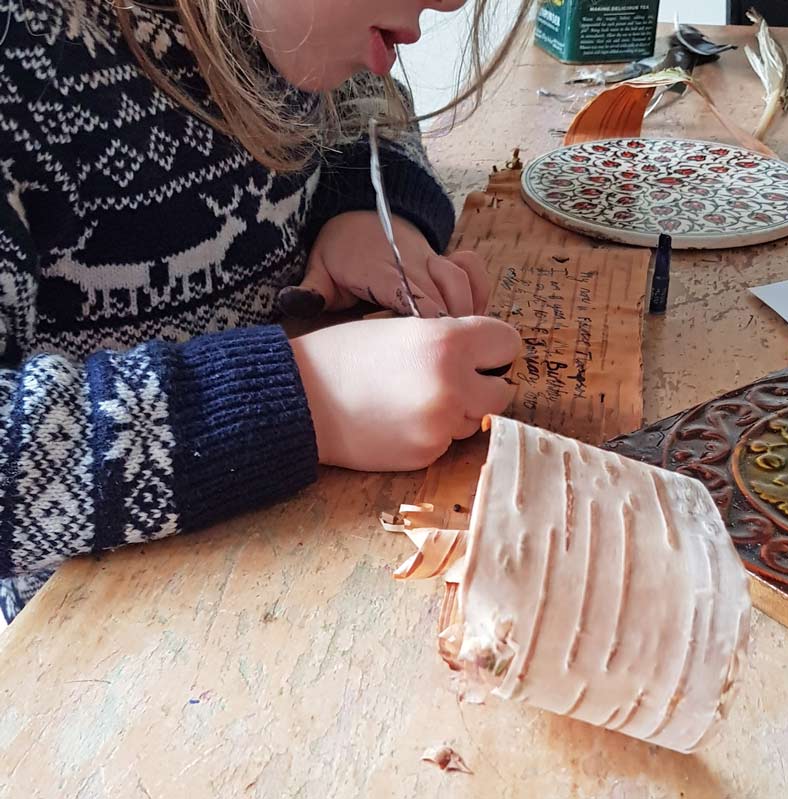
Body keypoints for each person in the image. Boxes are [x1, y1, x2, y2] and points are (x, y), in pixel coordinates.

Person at [0, 0, 530, 623]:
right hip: (104, 649)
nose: (452, 3)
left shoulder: (294, 23)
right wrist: (303, 398)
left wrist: (361, 208)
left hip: (291, 580)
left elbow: (371, 102)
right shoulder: (22, 48)